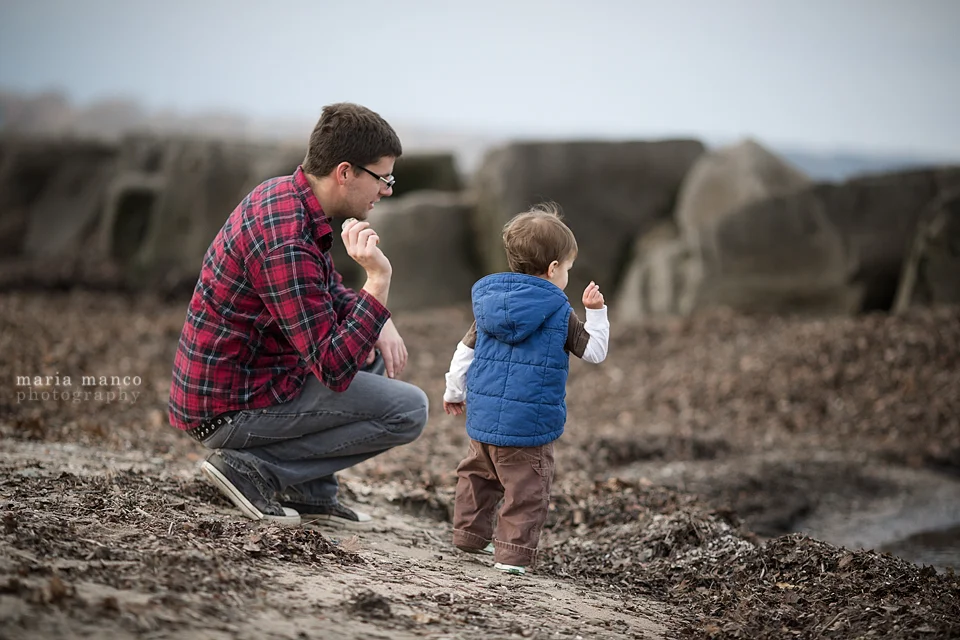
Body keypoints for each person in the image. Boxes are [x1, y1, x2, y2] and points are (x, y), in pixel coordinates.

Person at [168, 103, 428, 529]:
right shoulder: (288, 242)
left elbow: (324, 290)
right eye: (383, 178)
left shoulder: (287, 198)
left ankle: (309, 492)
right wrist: (378, 283)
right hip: (230, 410)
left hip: (251, 381)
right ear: (345, 172)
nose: (387, 190)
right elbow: (332, 368)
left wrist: (380, 321)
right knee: (409, 410)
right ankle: (252, 470)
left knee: (372, 352)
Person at [442, 203, 609, 574]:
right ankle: (513, 556)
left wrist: (455, 391)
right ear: (553, 270)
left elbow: (464, 352)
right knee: (526, 489)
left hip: (483, 419)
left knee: (477, 477)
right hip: (529, 426)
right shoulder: (559, 310)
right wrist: (596, 313)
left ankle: (469, 537)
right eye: (567, 268)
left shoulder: (488, 305)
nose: (567, 274)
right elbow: (594, 352)